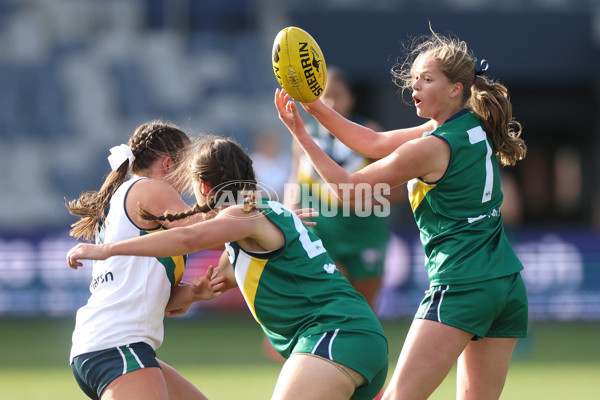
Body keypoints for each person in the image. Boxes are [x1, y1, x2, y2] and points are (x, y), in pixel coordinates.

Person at [274, 26, 528, 400]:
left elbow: (346, 188)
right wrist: (314, 107)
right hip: (506, 284)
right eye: (414, 79)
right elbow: (373, 142)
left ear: (456, 88)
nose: (415, 87)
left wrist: (301, 134)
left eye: (427, 79)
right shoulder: (471, 124)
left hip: (462, 284)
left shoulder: (431, 147)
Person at [67, 136, 389, 400]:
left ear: (204, 187)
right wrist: (194, 294)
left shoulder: (241, 214)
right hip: (353, 338)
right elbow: (197, 288)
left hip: (332, 335)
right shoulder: (258, 220)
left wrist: (105, 249)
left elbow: (188, 238)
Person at [65, 120, 222, 400]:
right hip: (118, 345)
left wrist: (192, 293)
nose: (191, 177)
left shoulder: (123, 195)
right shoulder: (151, 188)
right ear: (167, 165)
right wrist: (268, 218)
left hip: (108, 346)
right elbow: (209, 233)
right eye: (189, 166)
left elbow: (161, 303)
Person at [287, 66, 398, 309]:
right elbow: (295, 180)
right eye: (325, 96)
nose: (332, 103)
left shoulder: (370, 133)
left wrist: (362, 201)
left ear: (352, 99)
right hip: (320, 231)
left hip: (364, 230)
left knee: (365, 310)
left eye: (338, 95)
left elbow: (396, 187)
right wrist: (288, 217)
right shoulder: (304, 135)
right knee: (332, 304)